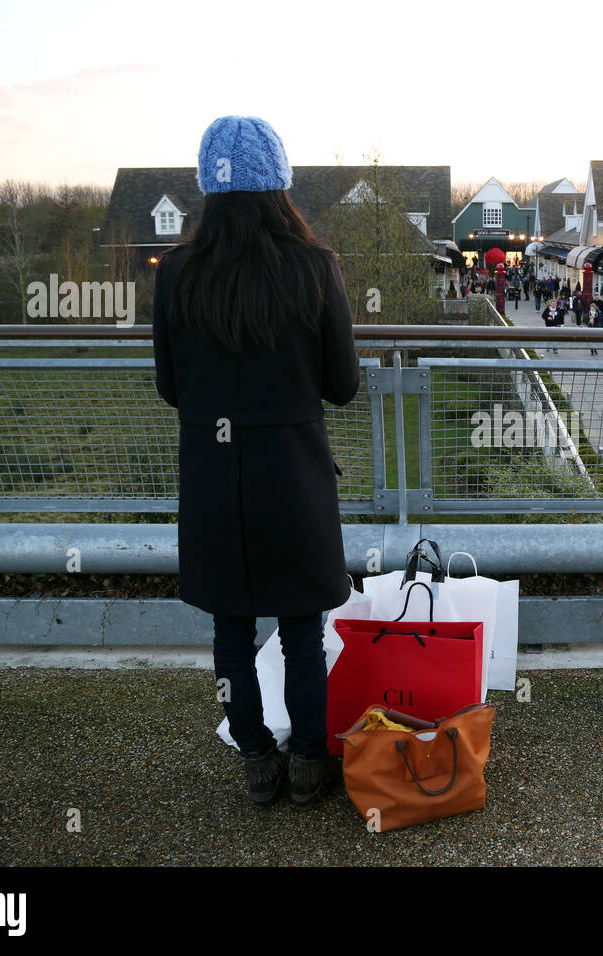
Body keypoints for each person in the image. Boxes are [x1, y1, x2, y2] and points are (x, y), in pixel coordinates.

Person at [153, 115, 357, 809]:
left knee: (230, 631)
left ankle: (257, 766)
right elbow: (343, 384)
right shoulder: (313, 267)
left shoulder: (178, 272)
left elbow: (170, 387)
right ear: (282, 187)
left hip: (215, 482)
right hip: (292, 477)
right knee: (302, 632)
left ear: (207, 189)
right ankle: (307, 765)